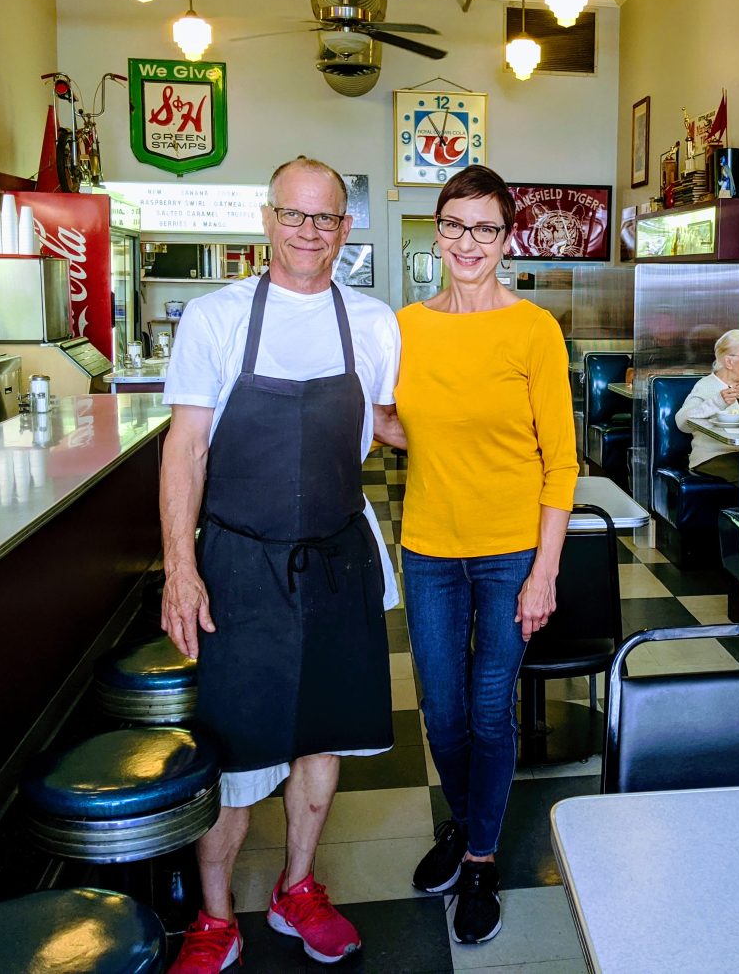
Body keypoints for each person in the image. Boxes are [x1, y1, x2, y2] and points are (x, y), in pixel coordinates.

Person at [160, 157, 401, 973]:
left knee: (321, 740)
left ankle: (298, 886)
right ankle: (216, 916)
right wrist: (179, 568)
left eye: (326, 218)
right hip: (239, 561)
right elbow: (185, 448)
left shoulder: (372, 322)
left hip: (337, 559)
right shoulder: (216, 316)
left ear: (345, 228)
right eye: (294, 215)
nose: (309, 231)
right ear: (267, 220)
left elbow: (391, 423)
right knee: (235, 748)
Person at [374, 164, 577, 945]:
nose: (468, 242)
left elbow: (560, 461)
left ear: (506, 235)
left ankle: (483, 855)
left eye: (485, 227)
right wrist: (430, 443)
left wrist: (545, 570)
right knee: (444, 709)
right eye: (455, 225)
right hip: (427, 545)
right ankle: (465, 823)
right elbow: (387, 418)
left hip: (510, 554)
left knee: (492, 709)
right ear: (437, 231)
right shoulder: (407, 327)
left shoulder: (532, 328)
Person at [674, 329, 739, 484]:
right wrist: (717, 402)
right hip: (713, 457)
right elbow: (682, 422)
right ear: (729, 362)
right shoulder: (706, 385)